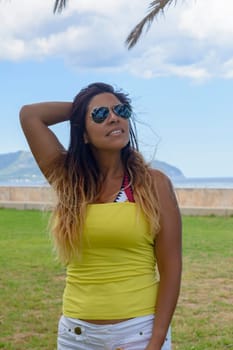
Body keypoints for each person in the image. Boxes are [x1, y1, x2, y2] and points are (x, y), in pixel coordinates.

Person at [20, 82, 182, 350]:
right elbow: (30, 115)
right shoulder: (70, 181)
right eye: (100, 115)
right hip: (77, 336)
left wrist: (156, 341)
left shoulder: (154, 184)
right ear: (83, 134)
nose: (113, 117)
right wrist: (83, 108)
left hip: (138, 334)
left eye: (120, 110)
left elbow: (171, 268)